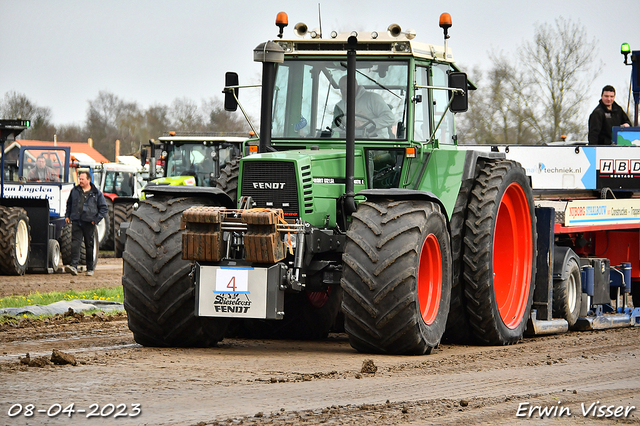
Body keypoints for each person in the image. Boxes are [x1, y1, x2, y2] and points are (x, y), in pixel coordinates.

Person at [64, 170, 108, 276]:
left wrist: (96, 220)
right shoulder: (75, 191)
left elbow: (104, 208)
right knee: (75, 244)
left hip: (89, 222)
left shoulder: (96, 193)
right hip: (76, 221)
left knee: (89, 245)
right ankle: (74, 266)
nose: (80, 181)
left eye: (82, 179)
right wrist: (67, 215)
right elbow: (69, 204)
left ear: (88, 180)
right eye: (80, 178)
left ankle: (90, 268)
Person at [332, 75, 396, 138]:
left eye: (345, 87)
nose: (343, 90)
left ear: (355, 85)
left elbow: (390, 118)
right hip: (351, 142)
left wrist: (366, 124)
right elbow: (335, 129)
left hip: (376, 142)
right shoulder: (339, 107)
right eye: (341, 88)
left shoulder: (372, 98)